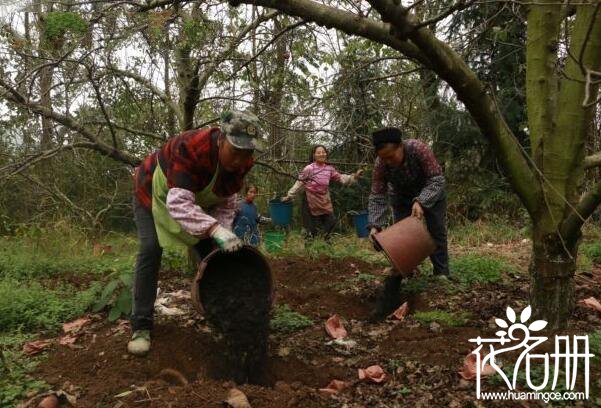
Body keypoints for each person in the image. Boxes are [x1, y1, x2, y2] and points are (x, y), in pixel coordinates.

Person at [127, 110, 262, 356]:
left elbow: (226, 201)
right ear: (221, 139)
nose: (240, 161)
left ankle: (225, 318)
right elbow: (178, 204)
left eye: (247, 153)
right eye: (236, 152)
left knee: (216, 256)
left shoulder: (243, 163)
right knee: (150, 250)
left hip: (195, 202)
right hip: (152, 194)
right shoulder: (190, 148)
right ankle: (141, 325)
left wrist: (222, 231)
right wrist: (212, 228)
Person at [367, 127, 449, 318]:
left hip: (431, 191)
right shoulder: (381, 164)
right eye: (383, 158)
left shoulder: (419, 150)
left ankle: (441, 272)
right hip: (401, 197)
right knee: (404, 238)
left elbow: (437, 179)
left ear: (401, 146)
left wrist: (421, 201)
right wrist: (374, 225)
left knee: (436, 230)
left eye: (391, 156)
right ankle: (406, 273)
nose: (388, 161)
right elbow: (378, 195)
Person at [281, 145, 363, 238]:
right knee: (310, 230)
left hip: (324, 200)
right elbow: (299, 183)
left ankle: (324, 242)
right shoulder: (309, 169)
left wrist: (354, 177)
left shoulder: (329, 169)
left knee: (331, 222)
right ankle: (310, 248)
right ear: (314, 155)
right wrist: (289, 195)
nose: (321, 154)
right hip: (309, 200)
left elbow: (341, 178)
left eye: (323, 152)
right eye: (318, 152)